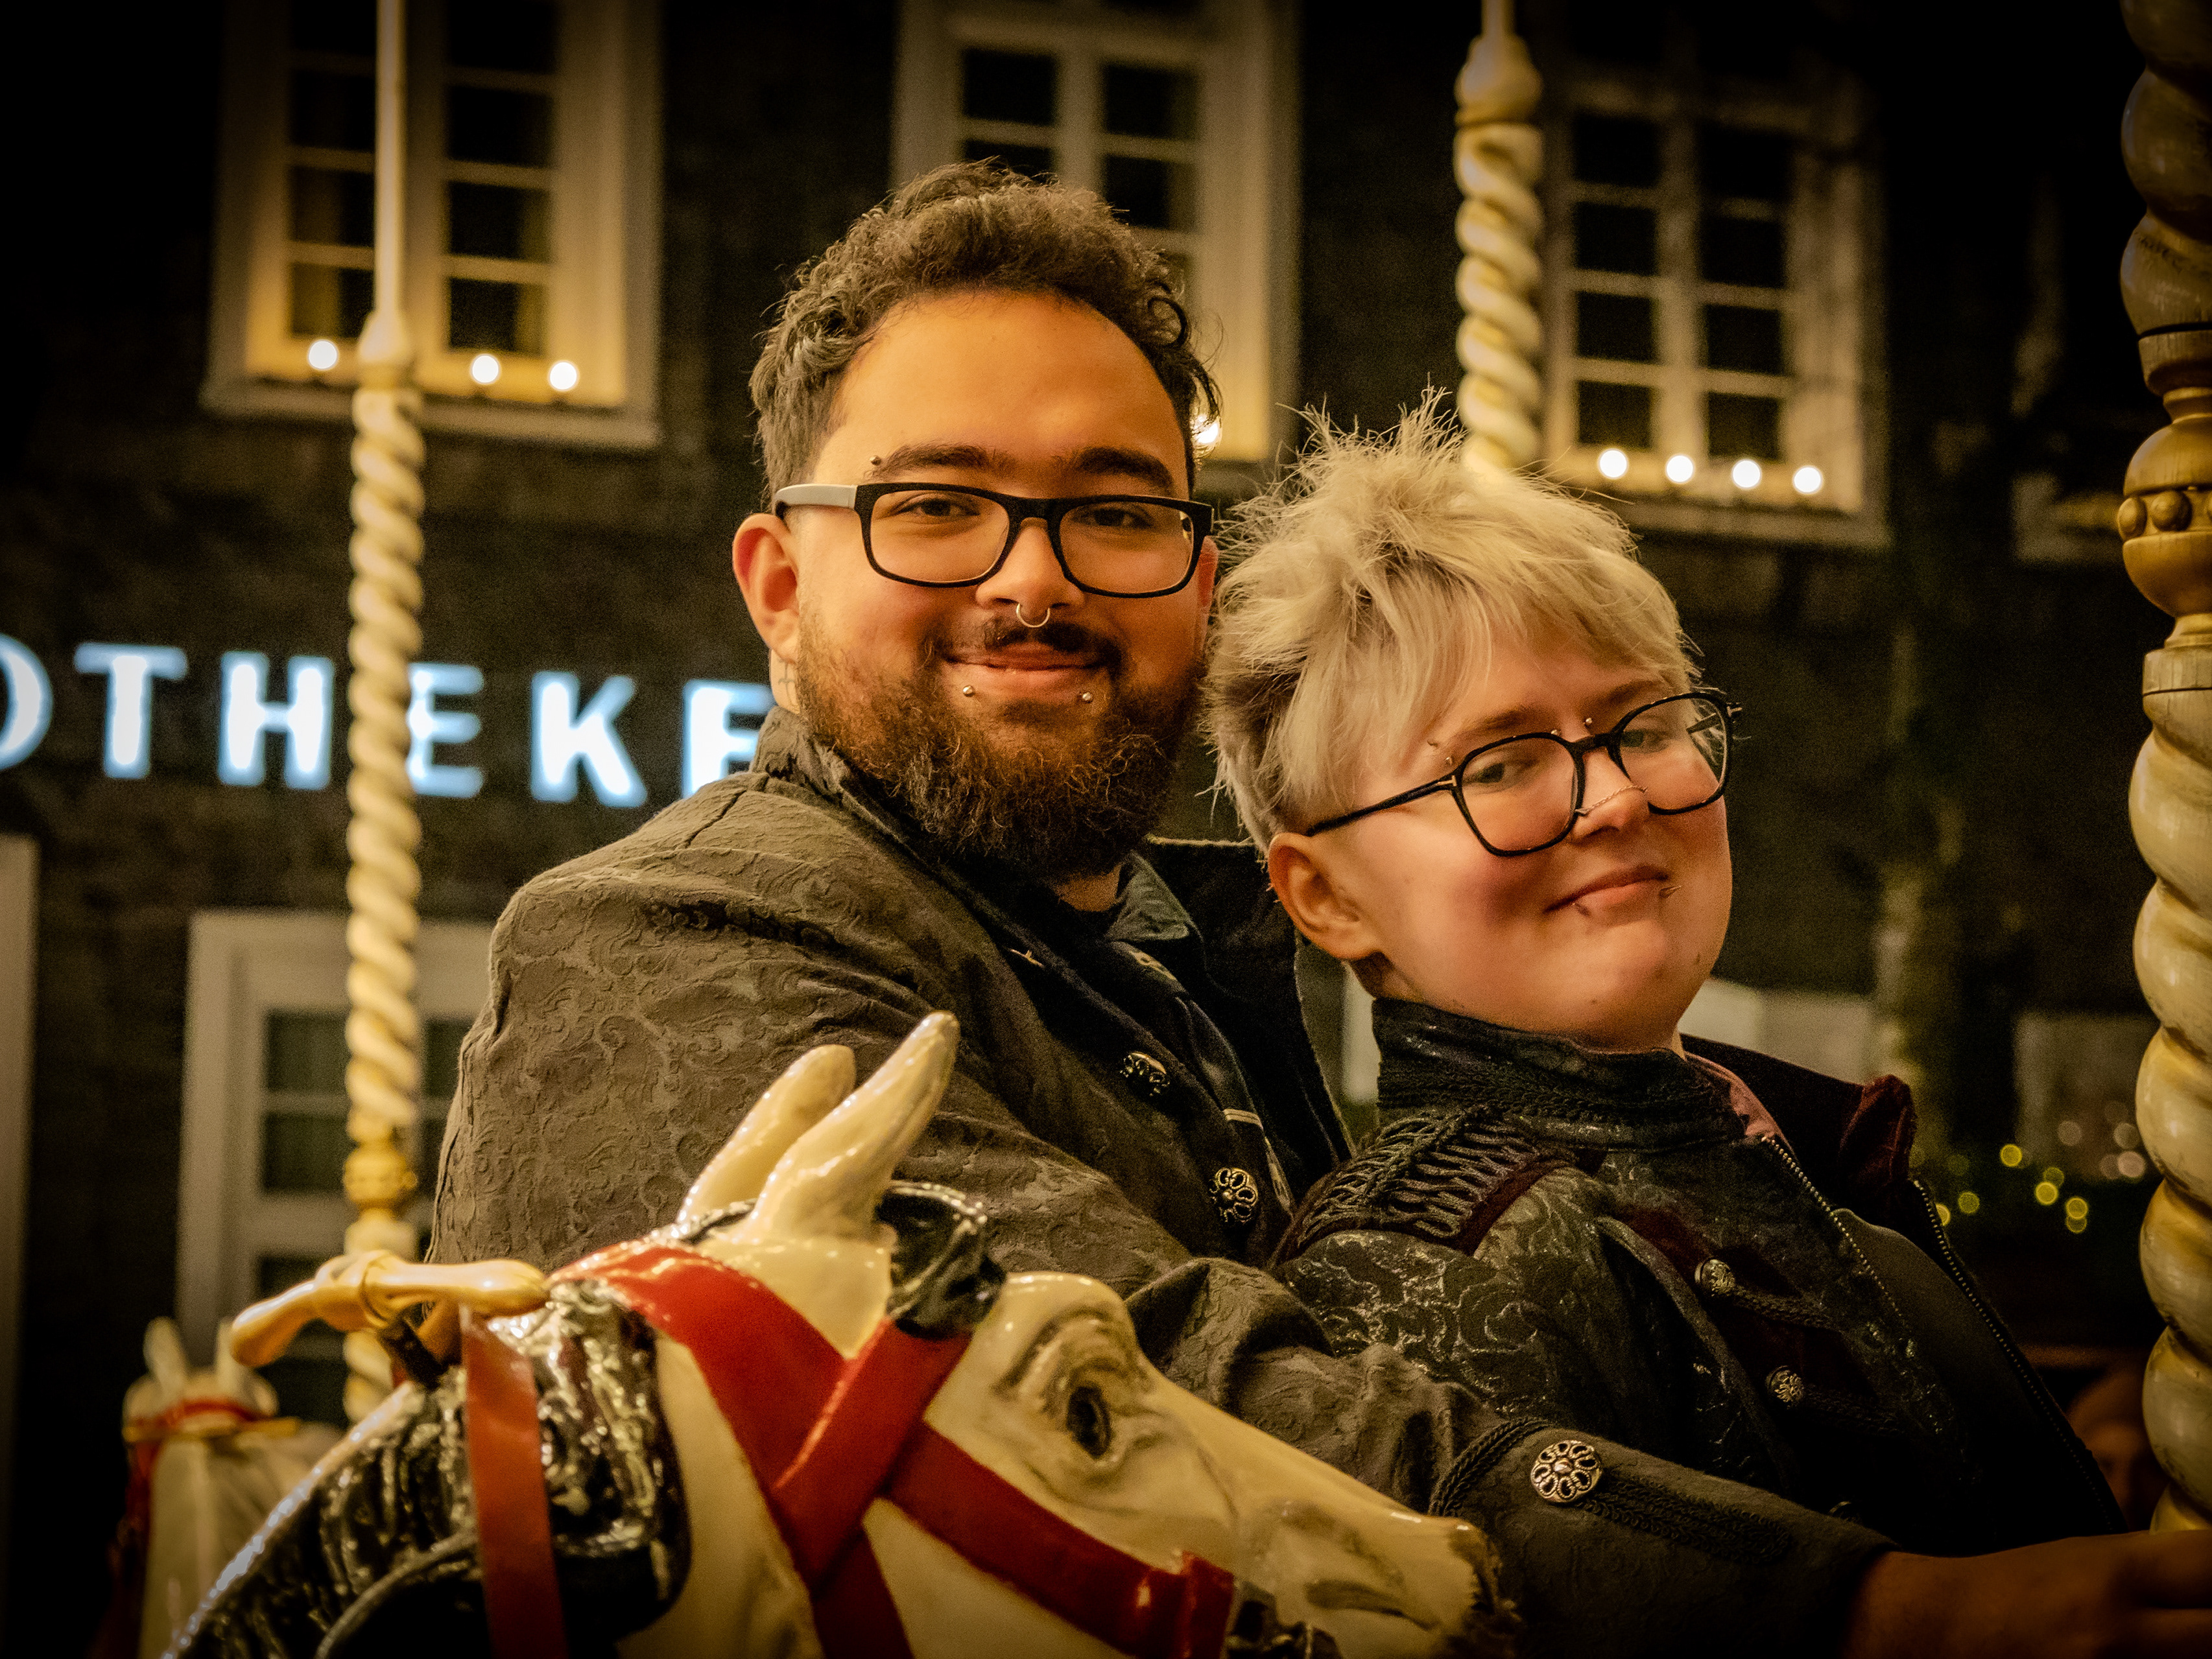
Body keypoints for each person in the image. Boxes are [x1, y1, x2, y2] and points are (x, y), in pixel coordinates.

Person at [1206, 401, 2212, 1656]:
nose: (1617, 799)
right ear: (1326, 896)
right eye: (1499, 765)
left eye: (1642, 725)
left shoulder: (1770, 1147)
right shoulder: (1428, 1263)